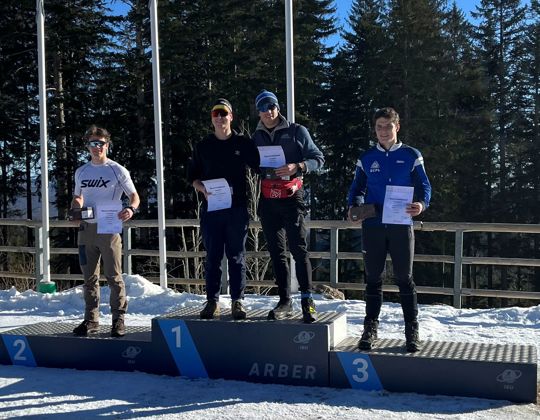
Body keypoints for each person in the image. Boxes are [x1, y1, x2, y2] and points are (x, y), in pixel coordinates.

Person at [347, 107, 431, 352]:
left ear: (397, 127)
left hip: (401, 226)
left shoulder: (410, 155)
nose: (383, 131)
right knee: (373, 279)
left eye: (388, 126)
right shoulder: (366, 158)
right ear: (375, 129)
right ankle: (370, 328)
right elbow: (356, 189)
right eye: (379, 127)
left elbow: (425, 186)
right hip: (373, 226)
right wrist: (354, 207)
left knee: (404, 278)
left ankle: (411, 330)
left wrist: (421, 205)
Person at [252, 90, 324, 323]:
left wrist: (298, 166)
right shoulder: (256, 137)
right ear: (258, 112)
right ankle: (284, 300)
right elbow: (253, 166)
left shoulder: (297, 131)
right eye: (264, 108)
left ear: (278, 108)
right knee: (277, 253)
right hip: (268, 201)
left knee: (299, 250)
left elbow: (318, 159)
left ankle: (307, 300)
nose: (268, 112)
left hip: (293, 198)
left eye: (272, 106)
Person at [188, 98, 260, 320]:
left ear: (231, 116)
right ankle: (212, 301)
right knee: (213, 257)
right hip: (212, 210)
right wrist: (201, 188)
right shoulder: (203, 146)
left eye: (224, 113)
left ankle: (238, 301)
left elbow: (260, 166)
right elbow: (193, 177)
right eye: (215, 114)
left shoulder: (243, 143)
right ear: (212, 119)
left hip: (237, 209)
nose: (220, 118)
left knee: (236, 256)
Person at [71, 125, 140, 337]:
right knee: (89, 278)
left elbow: (134, 196)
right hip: (87, 228)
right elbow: (78, 197)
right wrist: (75, 207)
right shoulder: (81, 171)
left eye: (100, 143)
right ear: (88, 146)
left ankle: (118, 319)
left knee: (113, 276)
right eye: (93, 143)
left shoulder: (117, 170)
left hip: (109, 228)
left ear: (107, 145)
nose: (96, 147)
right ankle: (91, 320)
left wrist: (130, 209)